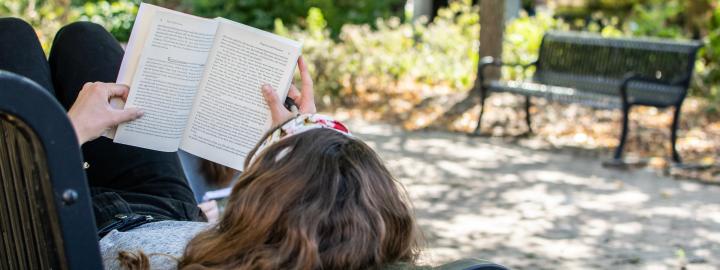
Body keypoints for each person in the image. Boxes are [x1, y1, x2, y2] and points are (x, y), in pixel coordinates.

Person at [0, 18, 420, 269]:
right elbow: (350, 214)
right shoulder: (327, 249)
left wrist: (67, 134)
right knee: (83, 38)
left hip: (68, 227)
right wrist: (300, 133)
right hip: (167, 208)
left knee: (12, 37)